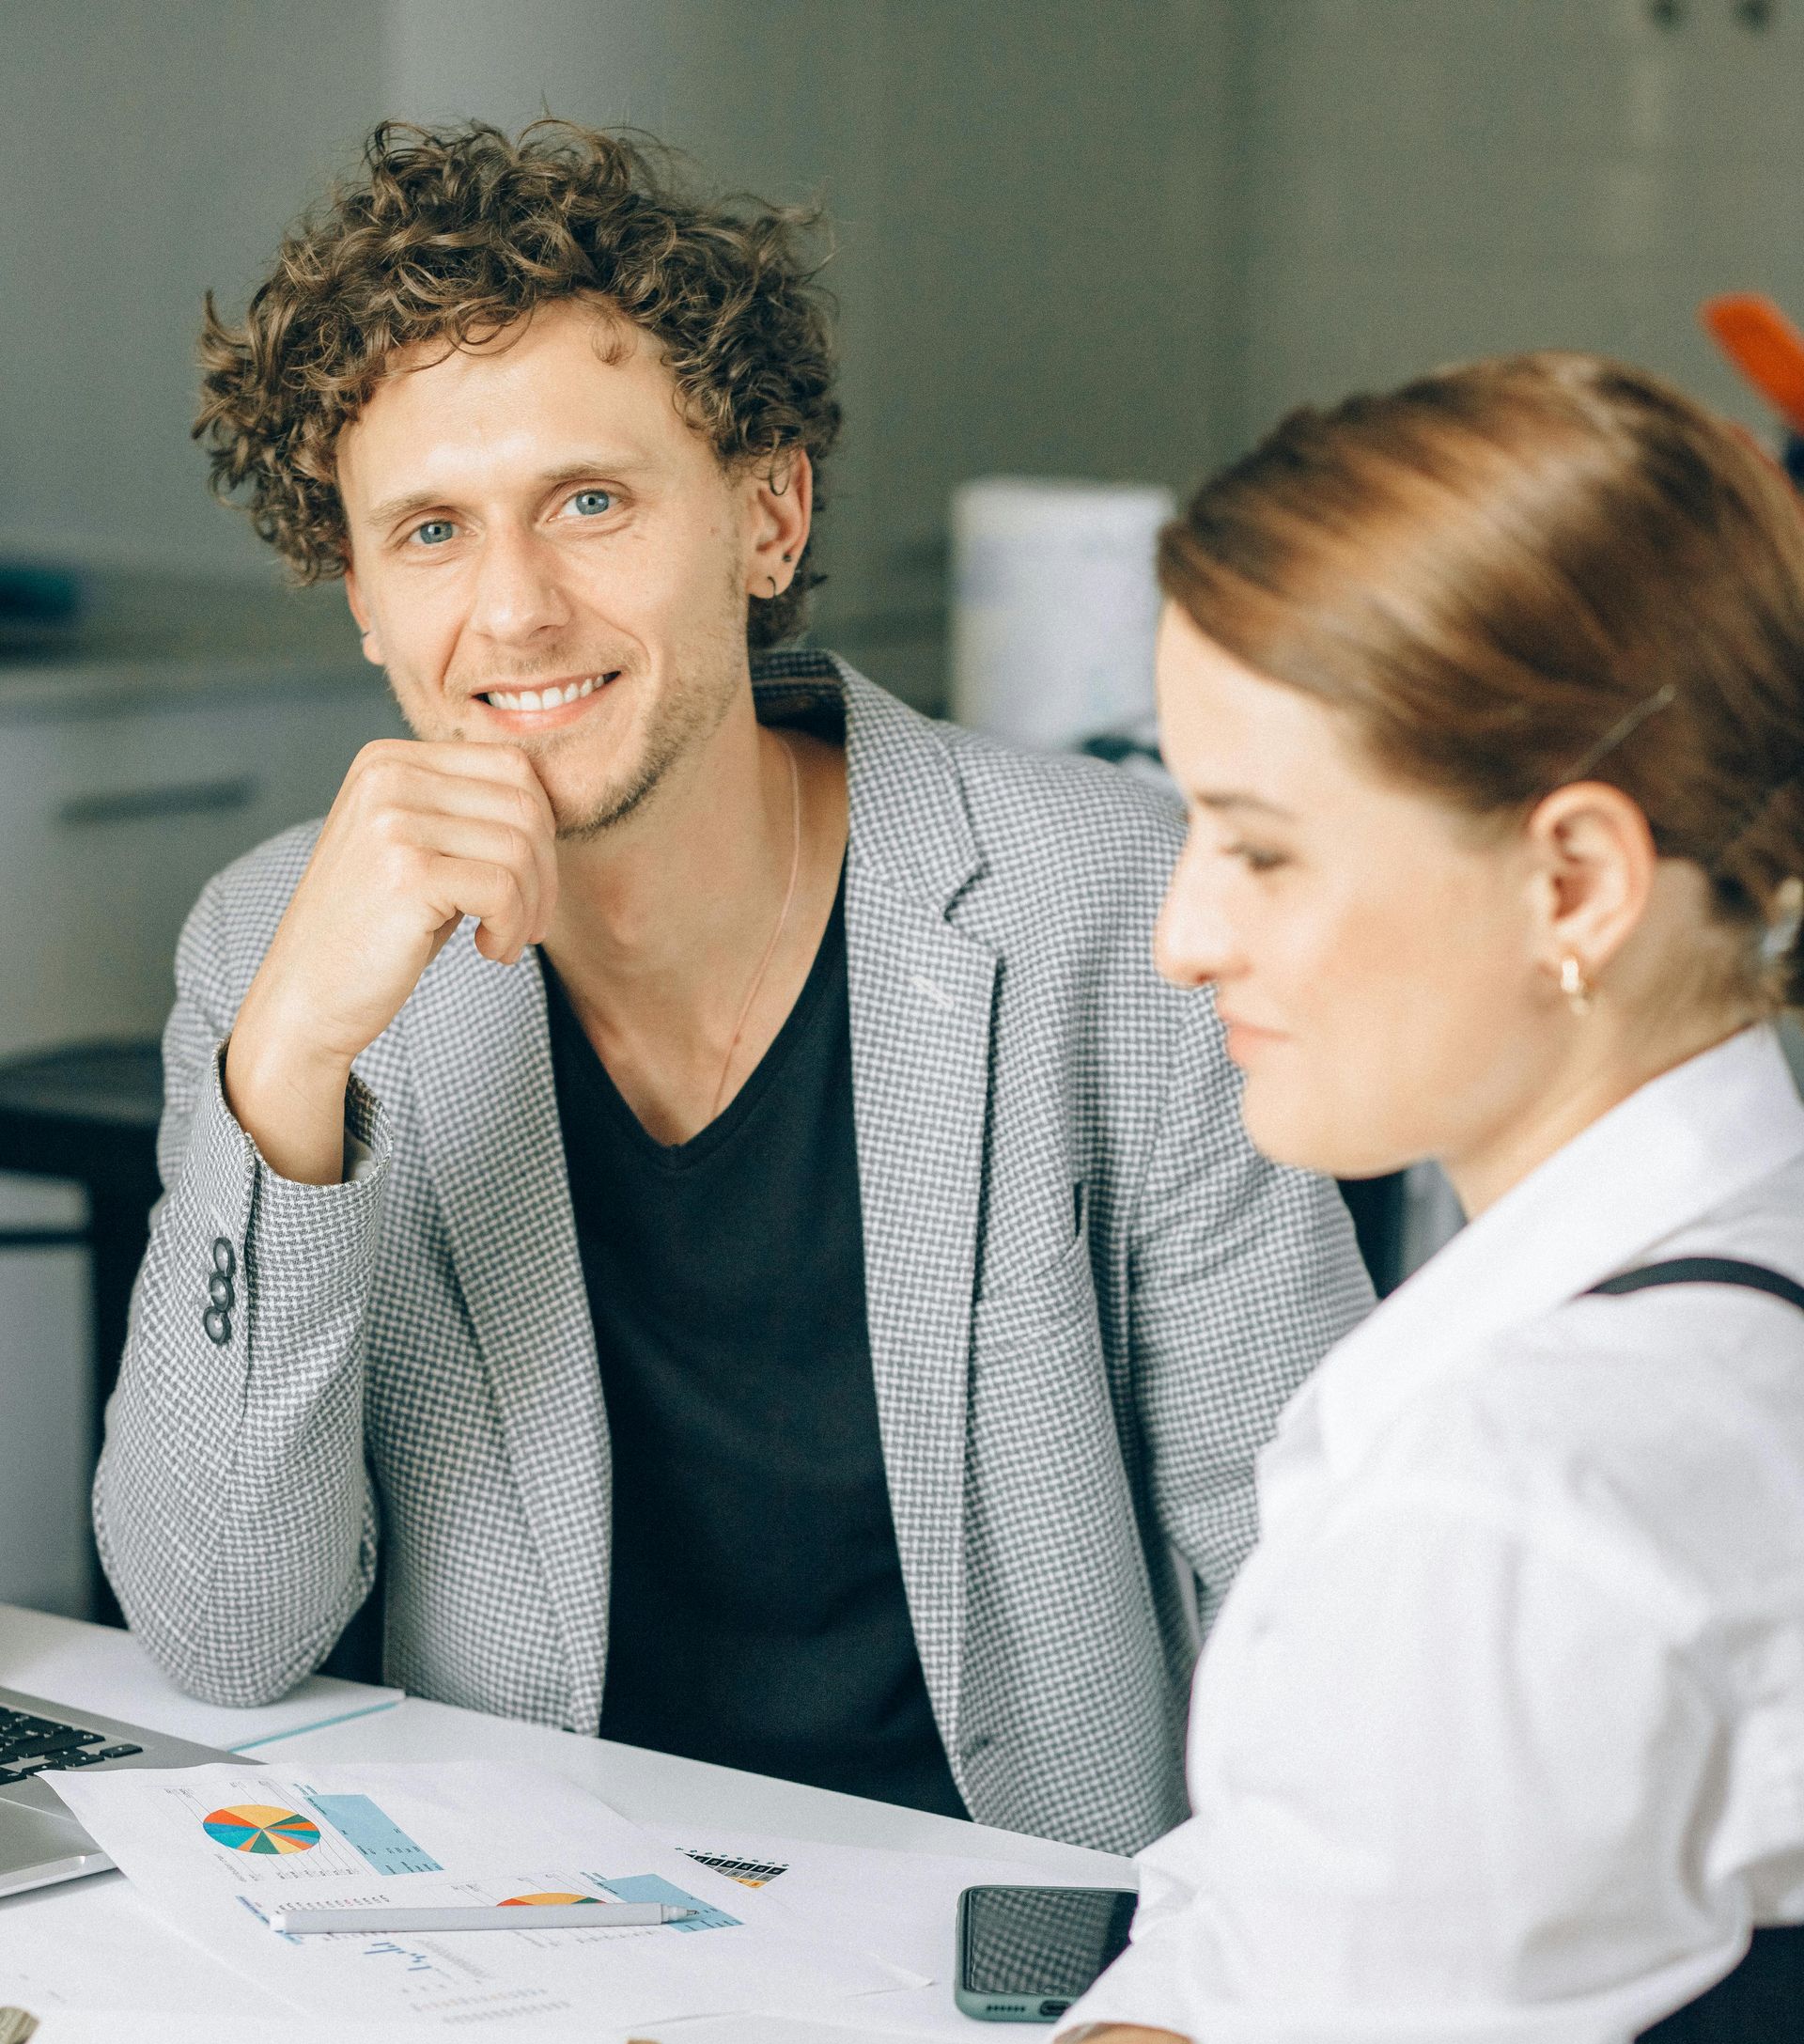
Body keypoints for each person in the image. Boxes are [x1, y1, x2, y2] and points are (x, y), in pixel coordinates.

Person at [82, 349, 1804, 2044]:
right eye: (425, 532)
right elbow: (1411, 1823)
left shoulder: (1524, 1494)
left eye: (1264, 844)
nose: (1194, 933)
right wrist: (1183, 2004)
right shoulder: (1676, 1307)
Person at [92, 118, 1365, 1859]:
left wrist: (1179, 2009)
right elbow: (220, 1632)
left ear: (767, 519)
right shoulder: (273, 949)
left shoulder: (1114, 913)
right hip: (535, 1930)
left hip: (1018, 1935)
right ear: (364, 603)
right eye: (433, 532)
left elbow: (1325, 1588)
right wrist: (292, 1066)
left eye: (592, 503)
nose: (517, 610)